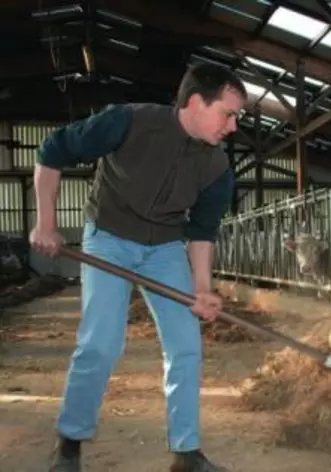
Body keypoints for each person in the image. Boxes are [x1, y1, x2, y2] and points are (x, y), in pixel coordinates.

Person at [30, 62, 248, 472]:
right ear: (197, 103)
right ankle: (71, 443)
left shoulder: (217, 168)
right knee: (101, 342)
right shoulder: (126, 121)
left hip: (164, 248)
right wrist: (46, 223)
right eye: (229, 113)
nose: (233, 126)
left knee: (186, 345)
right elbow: (51, 151)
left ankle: (187, 453)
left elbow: (202, 231)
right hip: (109, 238)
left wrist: (202, 289)